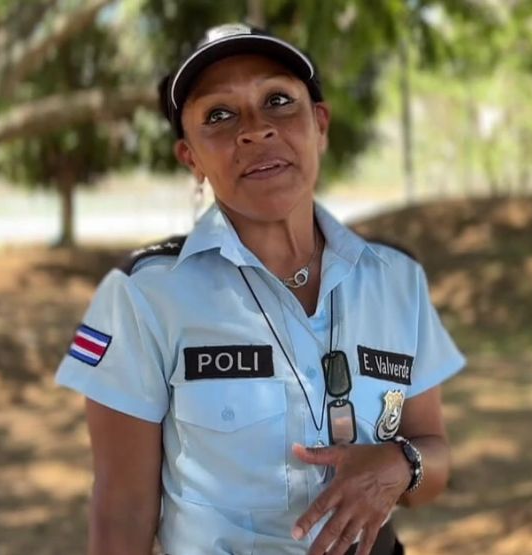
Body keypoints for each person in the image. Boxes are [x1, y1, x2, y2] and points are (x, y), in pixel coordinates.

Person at [54, 23, 466, 555]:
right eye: (219, 116)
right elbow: (122, 506)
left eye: (278, 101)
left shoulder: (396, 281)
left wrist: (399, 463)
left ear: (319, 125)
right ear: (192, 158)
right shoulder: (142, 295)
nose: (255, 130)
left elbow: (433, 465)